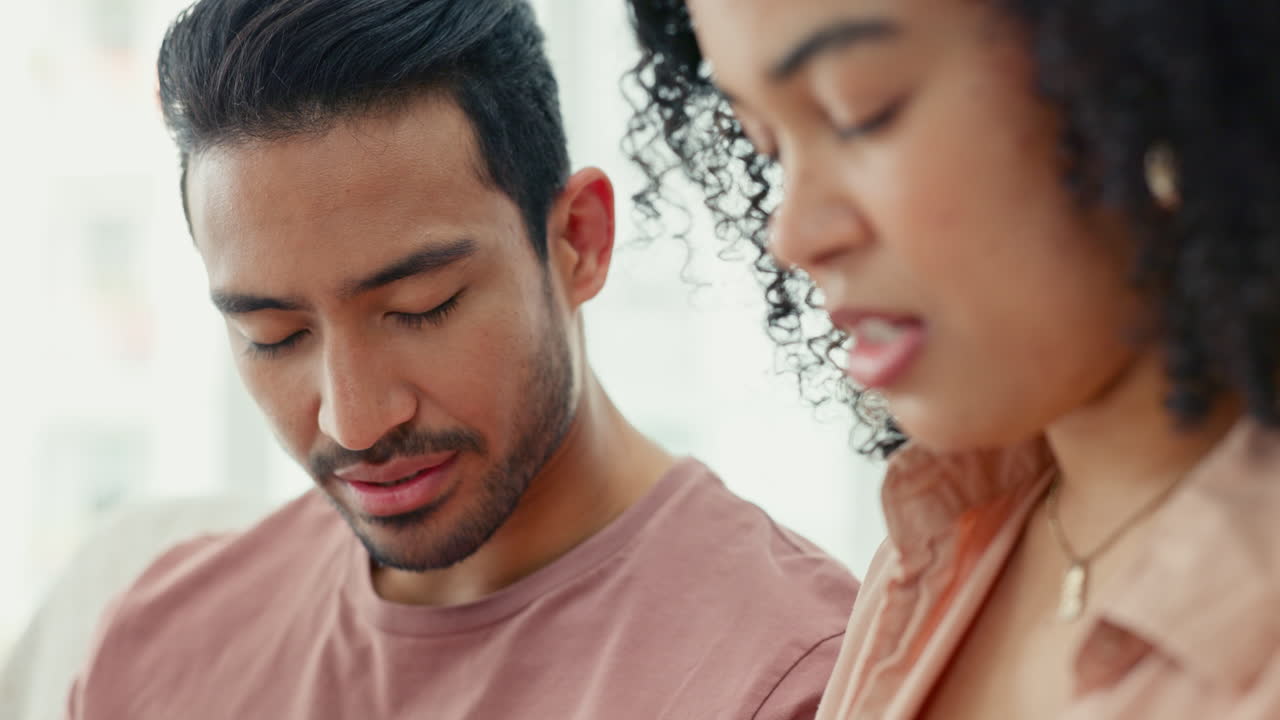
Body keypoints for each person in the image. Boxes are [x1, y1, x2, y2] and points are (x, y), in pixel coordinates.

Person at [64, 1, 860, 718]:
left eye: (421, 308)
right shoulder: (153, 649)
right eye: (276, 335)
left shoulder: (803, 680)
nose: (356, 419)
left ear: (578, 241)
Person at [624, 1, 1280, 718]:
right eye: (768, 146)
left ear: (1137, 55)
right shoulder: (939, 546)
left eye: (857, 111)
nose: (793, 235)